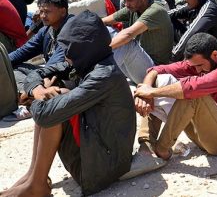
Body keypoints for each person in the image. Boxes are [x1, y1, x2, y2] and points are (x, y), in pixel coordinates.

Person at [3, 11, 134, 196]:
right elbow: (38, 73)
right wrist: (38, 90)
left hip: (104, 166)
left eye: (69, 47)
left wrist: (40, 97)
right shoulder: (88, 60)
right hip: (97, 147)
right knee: (53, 95)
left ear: (84, 47)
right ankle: (33, 176)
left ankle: (37, 184)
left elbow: (45, 115)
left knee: (54, 104)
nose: (65, 54)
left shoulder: (104, 75)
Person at [134, 32, 217, 160]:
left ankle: (162, 148)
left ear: (215, 55)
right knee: (160, 80)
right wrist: (145, 90)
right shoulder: (201, 61)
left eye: (199, 66)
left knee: (194, 95)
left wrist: (151, 92)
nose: (197, 70)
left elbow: (192, 87)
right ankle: (146, 143)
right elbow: (156, 71)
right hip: (207, 132)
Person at [8, 0, 72, 113]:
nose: (42, 16)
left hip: (65, 76)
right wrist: (3, 61)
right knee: (12, 66)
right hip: (48, 74)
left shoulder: (71, 29)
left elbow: (55, 64)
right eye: (41, 11)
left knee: (50, 82)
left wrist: (36, 82)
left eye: (47, 12)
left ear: (62, 12)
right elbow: (22, 52)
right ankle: (27, 96)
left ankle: (29, 97)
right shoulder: (47, 30)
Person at [104, 0, 175, 83]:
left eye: (129, 0)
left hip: (153, 73)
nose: (126, 4)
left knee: (126, 43)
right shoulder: (134, 7)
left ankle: (99, 78)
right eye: (125, 0)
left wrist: (101, 51)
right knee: (106, 29)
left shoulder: (155, 11)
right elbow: (104, 21)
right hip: (136, 67)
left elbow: (128, 34)